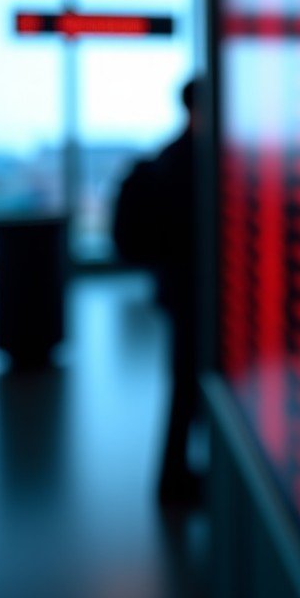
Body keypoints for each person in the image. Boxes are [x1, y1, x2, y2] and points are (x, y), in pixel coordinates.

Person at [113, 78, 202, 506]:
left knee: (184, 383)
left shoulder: (170, 153)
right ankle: (174, 480)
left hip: (176, 288)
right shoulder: (194, 159)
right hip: (192, 291)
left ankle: (178, 474)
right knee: (186, 385)